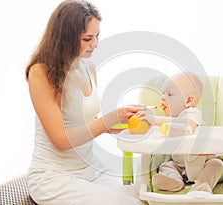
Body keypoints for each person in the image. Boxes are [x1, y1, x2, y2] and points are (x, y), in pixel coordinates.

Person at [25, 0, 145, 204]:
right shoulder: (41, 72)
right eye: (87, 38)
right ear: (65, 38)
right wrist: (108, 120)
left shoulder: (88, 67)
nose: (95, 44)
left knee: (144, 195)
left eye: (97, 36)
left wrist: (123, 121)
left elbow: (89, 122)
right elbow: (61, 141)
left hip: (90, 169)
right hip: (53, 177)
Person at [138, 72, 223, 193]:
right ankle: (174, 181)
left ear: (188, 101)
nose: (163, 98)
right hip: (180, 166)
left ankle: (201, 186)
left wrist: (155, 120)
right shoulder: (169, 122)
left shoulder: (192, 113)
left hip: (206, 163)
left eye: (169, 94)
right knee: (167, 166)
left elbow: (186, 126)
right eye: (163, 93)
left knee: (217, 165)